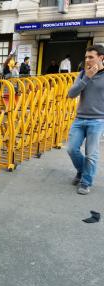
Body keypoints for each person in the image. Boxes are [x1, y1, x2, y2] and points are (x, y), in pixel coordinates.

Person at [67, 44, 104, 195]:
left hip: (98, 120)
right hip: (80, 118)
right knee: (71, 149)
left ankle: (86, 181)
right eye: (86, 57)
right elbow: (71, 94)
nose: (87, 60)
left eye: (91, 57)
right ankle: (82, 170)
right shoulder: (83, 74)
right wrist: (86, 78)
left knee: (91, 154)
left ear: (101, 58)